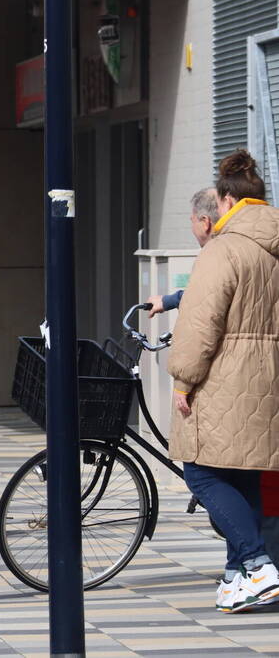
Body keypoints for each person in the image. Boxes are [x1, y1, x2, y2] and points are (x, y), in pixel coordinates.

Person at [168, 149, 279, 613]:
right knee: (244, 476)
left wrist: (182, 380)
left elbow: (200, 322)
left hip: (225, 379)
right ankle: (238, 578)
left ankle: (257, 564)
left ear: (229, 199)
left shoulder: (224, 248)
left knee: (201, 471)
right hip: (268, 379)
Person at [145, 188, 218, 316]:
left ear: (205, 222)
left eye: (192, 220)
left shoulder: (219, 254)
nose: (192, 228)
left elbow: (207, 296)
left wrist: (170, 300)